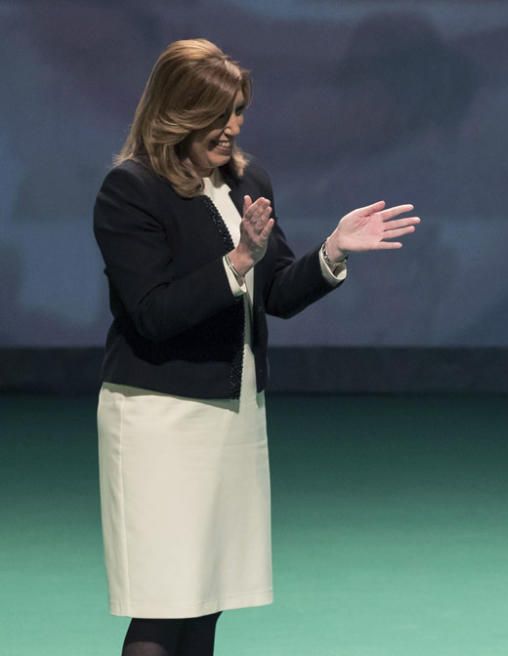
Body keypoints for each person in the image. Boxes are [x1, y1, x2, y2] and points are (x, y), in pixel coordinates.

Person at [93, 39, 419, 656]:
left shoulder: (246, 179)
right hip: (158, 419)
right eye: (218, 113)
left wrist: (334, 251)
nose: (232, 126)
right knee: (163, 610)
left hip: (233, 416)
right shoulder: (130, 191)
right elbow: (152, 313)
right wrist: (237, 259)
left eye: (238, 111)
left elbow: (277, 291)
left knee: (206, 602)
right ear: (176, 111)